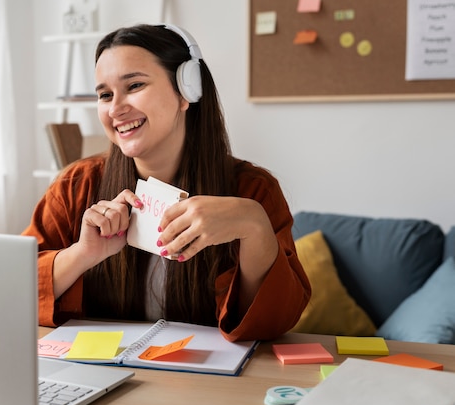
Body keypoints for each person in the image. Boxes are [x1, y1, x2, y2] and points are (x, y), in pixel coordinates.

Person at [23, 24, 310, 342]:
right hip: (101, 377)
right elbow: (10, 293)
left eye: (134, 85)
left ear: (187, 91)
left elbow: (274, 324)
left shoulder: (254, 191)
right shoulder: (74, 187)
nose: (115, 108)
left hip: (207, 386)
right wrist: (81, 255)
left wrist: (255, 227)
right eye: (105, 94)